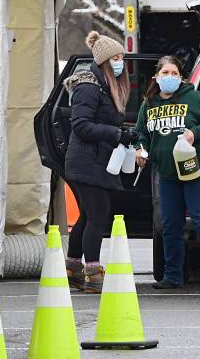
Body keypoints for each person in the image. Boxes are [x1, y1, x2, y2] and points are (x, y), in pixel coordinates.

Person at [135, 56, 200, 289]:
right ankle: (173, 275)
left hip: (197, 168)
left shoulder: (193, 98)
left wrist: (194, 134)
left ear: (181, 77)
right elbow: (142, 133)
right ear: (156, 78)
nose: (169, 78)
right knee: (170, 224)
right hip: (167, 172)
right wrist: (141, 149)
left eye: (174, 73)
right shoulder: (149, 103)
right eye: (165, 73)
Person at [64, 31, 139, 293]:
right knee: (98, 215)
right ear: (104, 61)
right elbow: (81, 125)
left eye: (121, 57)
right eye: (115, 58)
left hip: (93, 161)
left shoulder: (105, 86)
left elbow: (105, 120)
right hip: (86, 162)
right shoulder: (89, 86)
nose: (120, 63)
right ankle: (92, 273)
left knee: (88, 215)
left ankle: (72, 269)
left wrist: (127, 129)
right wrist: (118, 134)